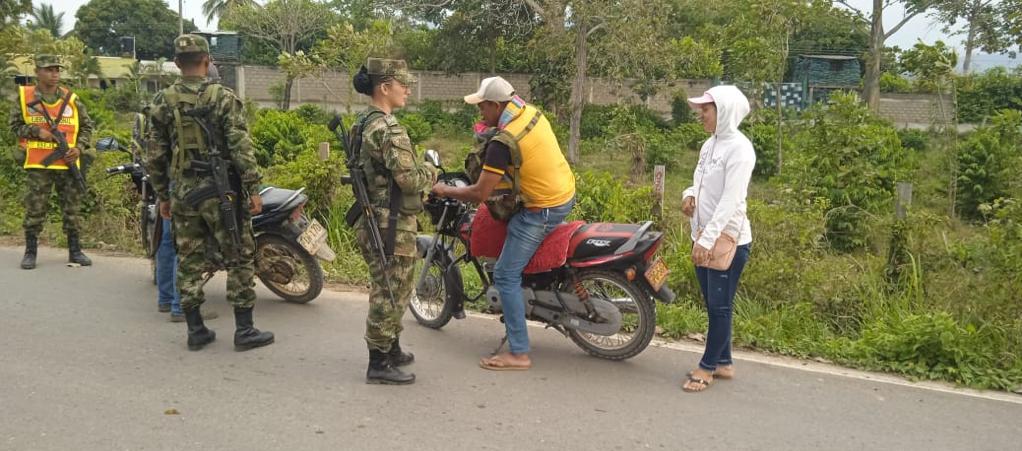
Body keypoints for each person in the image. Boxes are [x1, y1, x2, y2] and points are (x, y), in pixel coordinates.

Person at [431, 76, 576, 371]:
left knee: (506, 275)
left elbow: (479, 193)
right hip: (564, 192)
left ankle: (519, 353)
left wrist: (445, 190)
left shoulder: (502, 143)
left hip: (543, 209)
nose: (480, 112)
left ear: (497, 105)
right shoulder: (530, 113)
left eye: (483, 106)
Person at [147, 35, 272, 351]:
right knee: (239, 256)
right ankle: (244, 331)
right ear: (207, 61)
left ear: (177, 63)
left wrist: (163, 195)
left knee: (188, 258)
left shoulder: (162, 101)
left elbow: (155, 155)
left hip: (183, 192)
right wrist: (254, 188)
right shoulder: (223, 98)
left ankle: (196, 330)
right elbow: (241, 147)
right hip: (221, 191)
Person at [348, 58, 437, 385]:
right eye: (403, 84)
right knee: (388, 291)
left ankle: (391, 347)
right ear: (384, 87)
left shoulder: (363, 122)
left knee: (398, 288)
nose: (408, 90)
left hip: (378, 218)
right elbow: (410, 181)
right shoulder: (388, 127)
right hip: (390, 223)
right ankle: (378, 363)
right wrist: (431, 168)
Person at [680, 85, 756, 393]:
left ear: (723, 112)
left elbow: (730, 200)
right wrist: (688, 195)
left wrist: (707, 240)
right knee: (715, 304)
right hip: (703, 236)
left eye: (706, 110)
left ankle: (707, 367)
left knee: (719, 306)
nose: (701, 115)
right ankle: (724, 362)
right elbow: (700, 182)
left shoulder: (740, 149)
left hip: (726, 241)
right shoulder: (708, 145)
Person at [10, 54, 95, 270]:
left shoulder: (71, 99)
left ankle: (75, 251)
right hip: (39, 163)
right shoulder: (25, 96)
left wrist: (79, 148)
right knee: (35, 208)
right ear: (38, 71)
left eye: (57, 69)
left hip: (67, 163)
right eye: (49, 69)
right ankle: (30, 252)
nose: (54, 74)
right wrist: (36, 131)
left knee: (72, 208)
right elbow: (14, 127)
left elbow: (87, 127)